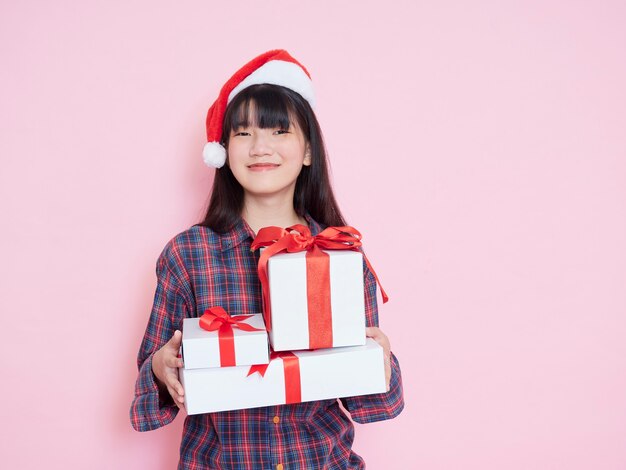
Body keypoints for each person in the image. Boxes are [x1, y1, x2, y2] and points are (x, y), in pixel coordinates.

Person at [130, 49, 404, 469]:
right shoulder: (188, 255)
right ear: (222, 153)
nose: (261, 147)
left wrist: (378, 361)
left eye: (279, 131)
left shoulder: (339, 252)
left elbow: (370, 403)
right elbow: (153, 384)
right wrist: (161, 368)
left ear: (308, 151)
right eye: (243, 133)